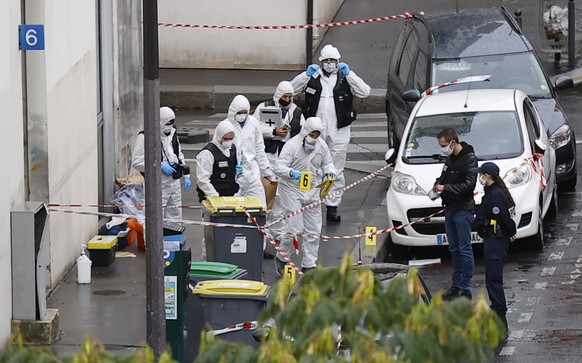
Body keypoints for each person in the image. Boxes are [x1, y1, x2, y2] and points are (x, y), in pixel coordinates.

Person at [291, 44, 371, 223]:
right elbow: (289, 90)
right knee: (310, 166)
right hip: (315, 129)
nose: (329, 64)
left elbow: (364, 92)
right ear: (320, 62)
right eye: (325, 61)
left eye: (332, 61)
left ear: (338, 61)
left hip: (339, 129)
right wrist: (305, 75)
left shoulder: (344, 78)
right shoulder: (313, 77)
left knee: (334, 169)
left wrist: (350, 74)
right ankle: (311, 201)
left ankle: (332, 205)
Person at [273, 117, 336, 275]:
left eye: (316, 135)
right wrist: (292, 173)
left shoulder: (321, 146)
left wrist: (329, 173)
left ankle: (309, 264)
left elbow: (328, 162)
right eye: (312, 134)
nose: (313, 138)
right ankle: (282, 257)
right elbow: (278, 167)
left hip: (313, 190)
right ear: (305, 132)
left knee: (313, 229)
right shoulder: (292, 145)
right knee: (295, 228)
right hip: (291, 189)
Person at [471, 162, 516, 335]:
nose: (479, 177)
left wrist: (511, 231)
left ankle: (500, 321)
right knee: (492, 279)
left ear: (487, 176)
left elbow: (502, 216)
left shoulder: (495, 195)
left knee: (494, 280)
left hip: (496, 241)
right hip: (493, 240)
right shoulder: (492, 192)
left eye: (481, 174)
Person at [432, 128, 478, 300]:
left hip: (463, 209)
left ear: (453, 142)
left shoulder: (470, 159)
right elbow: (442, 178)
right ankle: (456, 284)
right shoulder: (450, 159)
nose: (442, 148)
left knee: (465, 248)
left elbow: (469, 186)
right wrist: (437, 186)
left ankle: (465, 287)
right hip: (450, 208)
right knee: (454, 248)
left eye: (443, 145)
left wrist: (446, 188)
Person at [131, 106, 191, 220]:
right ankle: (154, 238)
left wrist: (185, 175)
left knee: (175, 216)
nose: (169, 126)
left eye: (172, 123)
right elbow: (137, 162)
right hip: (157, 184)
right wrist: (159, 165)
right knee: (155, 217)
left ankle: (174, 237)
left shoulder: (173, 133)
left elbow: (178, 154)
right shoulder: (145, 137)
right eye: (167, 123)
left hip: (174, 182)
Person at [225, 95, 277, 207]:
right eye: (239, 112)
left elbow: (259, 147)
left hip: (252, 172)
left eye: (245, 112)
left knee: (260, 206)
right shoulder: (226, 125)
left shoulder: (253, 123)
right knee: (233, 208)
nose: (242, 115)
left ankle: (259, 224)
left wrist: (265, 168)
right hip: (234, 174)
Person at [253, 80, 305, 165]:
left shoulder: (296, 110)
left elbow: (303, 130)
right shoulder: (264, 106)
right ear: (279, 95)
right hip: (268, 151)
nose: (287, 100)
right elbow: (254, 127)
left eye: (290, 97)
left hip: (287, 153)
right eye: (284, 97)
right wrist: (273, 131)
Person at [195, 120, 242, 202]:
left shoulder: (232, 149)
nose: (229, 142)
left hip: (231, 196)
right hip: (212, 198)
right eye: (226, 139)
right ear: (219, 136)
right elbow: (203, 180)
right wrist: (214, 197)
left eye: (231, 139)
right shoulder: (207, 153)